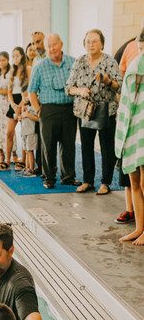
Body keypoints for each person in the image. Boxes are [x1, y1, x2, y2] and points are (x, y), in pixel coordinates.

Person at [66, 29, 122, 195]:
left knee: (107, 148)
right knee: (86, 147)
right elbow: (68, 88)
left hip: (106, 110)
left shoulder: (109, 61)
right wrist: (80, 91)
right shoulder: (79, 62)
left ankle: (105, 182)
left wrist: (108, 81)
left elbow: (119, 86)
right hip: (86, 110)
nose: (91, 44)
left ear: (102, 44)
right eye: (88, 41)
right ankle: (88, 181)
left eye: (95, 41)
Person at [29, 34, 80, 189]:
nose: (52, 48)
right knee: (48, 146)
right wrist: (38, 110)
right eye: (49, 46)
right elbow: (31, 91)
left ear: (61, 44)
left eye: (54, 44)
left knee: (69, 145)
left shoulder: (73, 62)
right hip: (48, 110)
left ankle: (68, 177)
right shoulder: (40, 66)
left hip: (69, 109)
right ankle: (49, 178)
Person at [115, 31, 144, 246]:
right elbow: (126, 101)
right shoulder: (135, 64)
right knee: (134, 181)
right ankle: (139, 227)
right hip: (133, 127)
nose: (141, 53)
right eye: (140, 48)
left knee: (143, 182)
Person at [6, 46, 29, 170]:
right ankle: (7, 160)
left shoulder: (28, 69)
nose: (15, 58)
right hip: (13, 102)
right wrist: (13, 105)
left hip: (24, 101)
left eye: (17, 56)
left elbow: (28, 90)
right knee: (9, 132)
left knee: (24, 134)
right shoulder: (11, 71)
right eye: (13, 56)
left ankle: (23, 160)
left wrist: (20, 105)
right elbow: (9, 92)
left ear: (22, 56)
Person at [20, 95, 39, 176]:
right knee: (26, 150)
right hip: (24, 131)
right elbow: (20, 117)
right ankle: (27, 168)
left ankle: (31, 169)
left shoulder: (35, 107)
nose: (25, 98)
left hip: (31, 131)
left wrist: (28, 115)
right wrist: (22, 112)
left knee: (30, 150)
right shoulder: (25, 107)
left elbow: (38, 119)